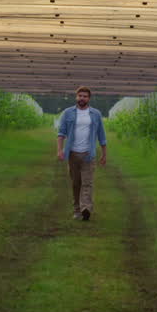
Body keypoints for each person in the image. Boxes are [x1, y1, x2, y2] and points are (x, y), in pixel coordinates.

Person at [56, 86, 108, 221]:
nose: (82, 98)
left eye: (85, 96)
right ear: (76, 97)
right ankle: (77, 210)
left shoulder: (95, 114)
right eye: (80, 96)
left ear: (89, 99)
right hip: (72, 153)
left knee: (87, 183)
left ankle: (86, 208)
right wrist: (60, 150)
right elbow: (61, 133)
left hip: (88, 154)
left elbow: (101, 135)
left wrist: (104, 154)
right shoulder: (68, 113)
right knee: (76, 183)